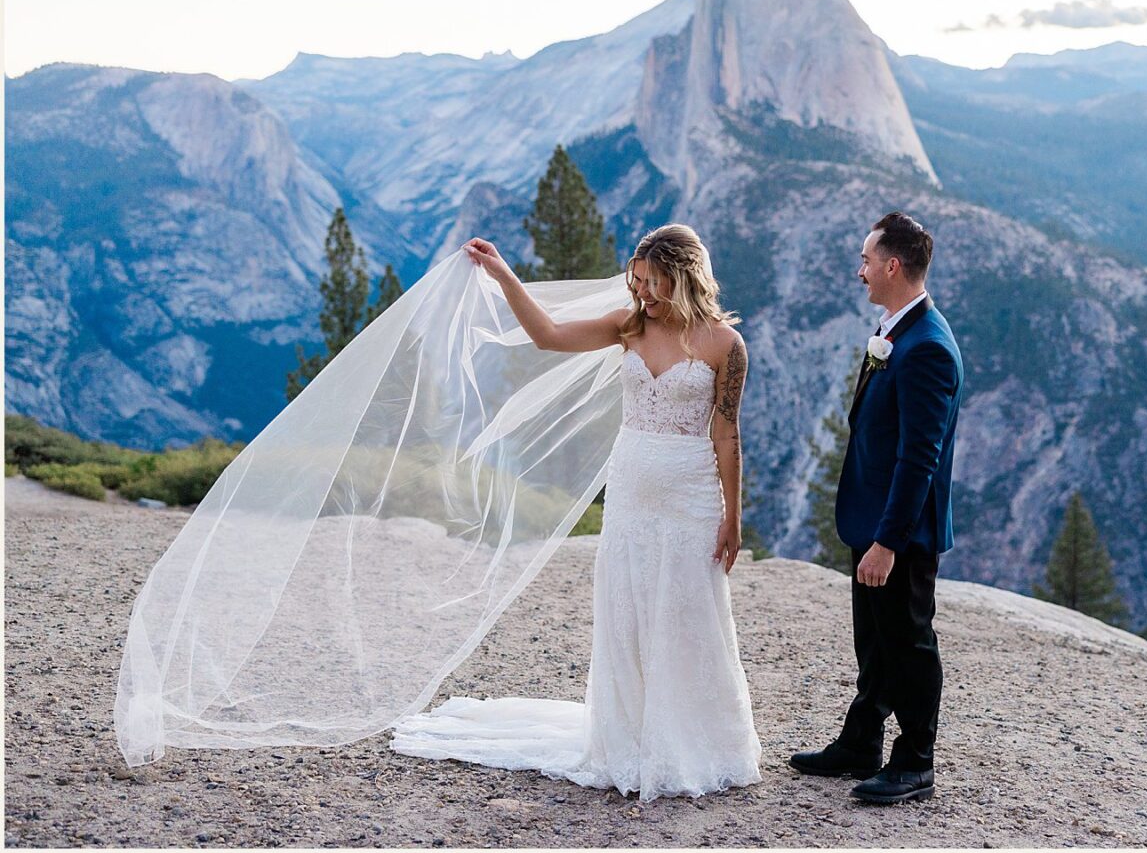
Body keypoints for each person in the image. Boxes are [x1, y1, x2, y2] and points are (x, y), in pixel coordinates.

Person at [390, 224, 762, 801]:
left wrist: (732, 514)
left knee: (689, 610)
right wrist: (503, 273)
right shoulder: (630, 325)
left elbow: (727, 434)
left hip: (691, 492)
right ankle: (629, 736)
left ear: (683, 278)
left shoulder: (725, 346)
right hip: (633, 483)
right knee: (629, 608)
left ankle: (696, 741)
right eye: (635, 281)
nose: (641, 293)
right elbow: (547, 334)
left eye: (653, 283)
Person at [788, 211, 963, 805]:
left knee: (909, 641)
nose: (859, 270)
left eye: (866, 260)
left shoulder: (927, 348)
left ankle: (916, 761)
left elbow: (921, 459)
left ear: (893, 265)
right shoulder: (898, 331)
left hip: (900, 532)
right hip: (873, 522)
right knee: (876, 640)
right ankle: (861, 741)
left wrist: (889, 540)